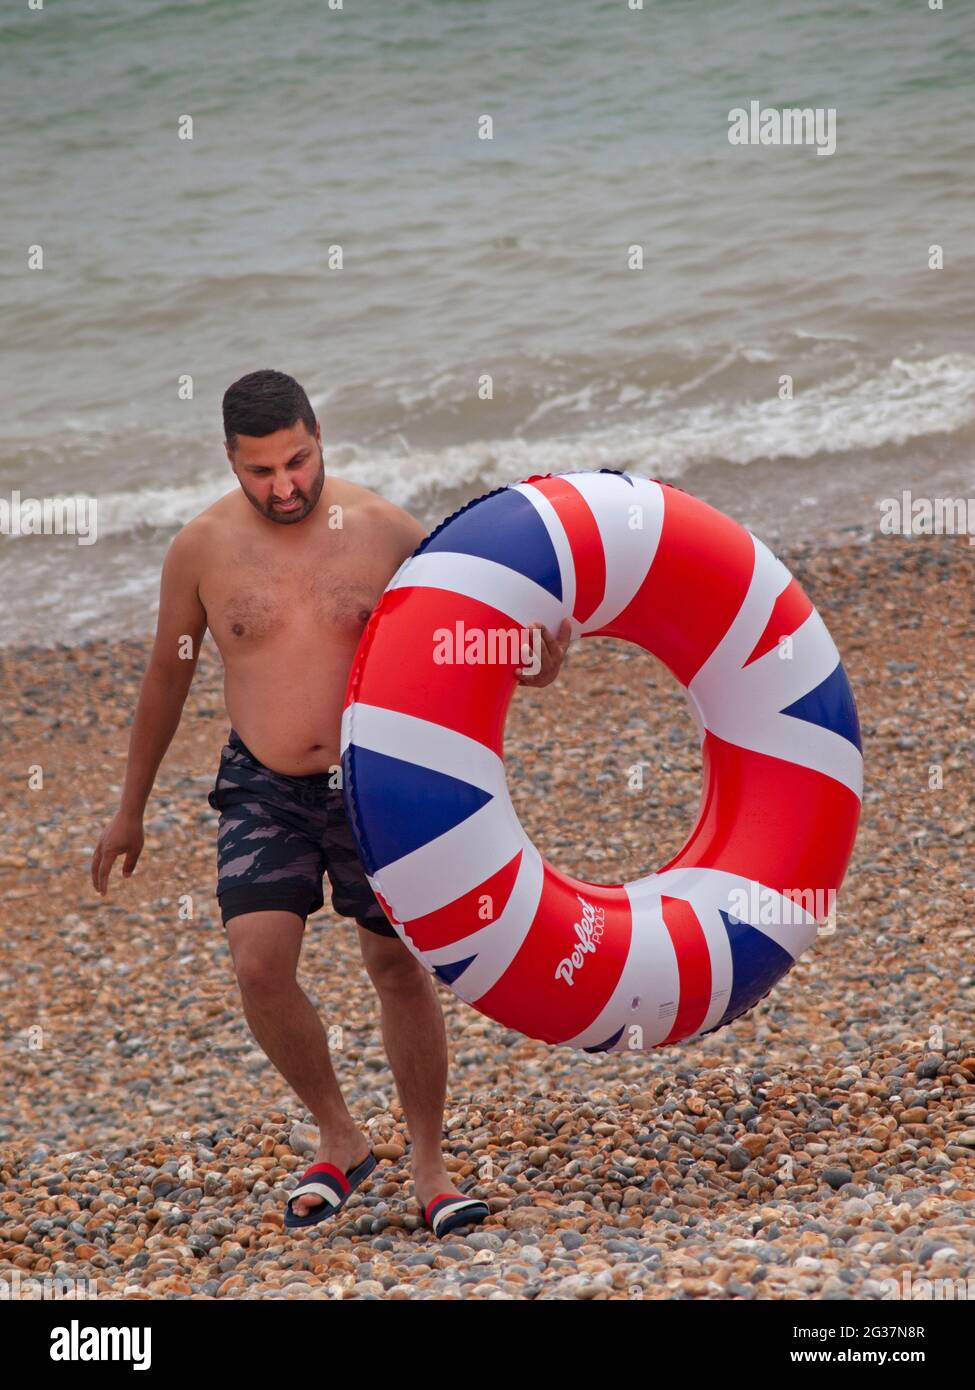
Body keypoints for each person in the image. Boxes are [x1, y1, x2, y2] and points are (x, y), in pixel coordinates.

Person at [90, 369, 570, 1236]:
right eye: (261, 471)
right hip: (263, 784)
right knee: (258, 966)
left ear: (320, 439)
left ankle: (428, 1162)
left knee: (396, 967)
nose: (285, 486)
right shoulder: (200, 549)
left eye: (298, 462)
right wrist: (131, 807)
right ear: (231, 462)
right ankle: (340, 1137)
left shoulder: (386, 532)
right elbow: (169, 673)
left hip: (373, 779)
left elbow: (488, 641)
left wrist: (541, 653)